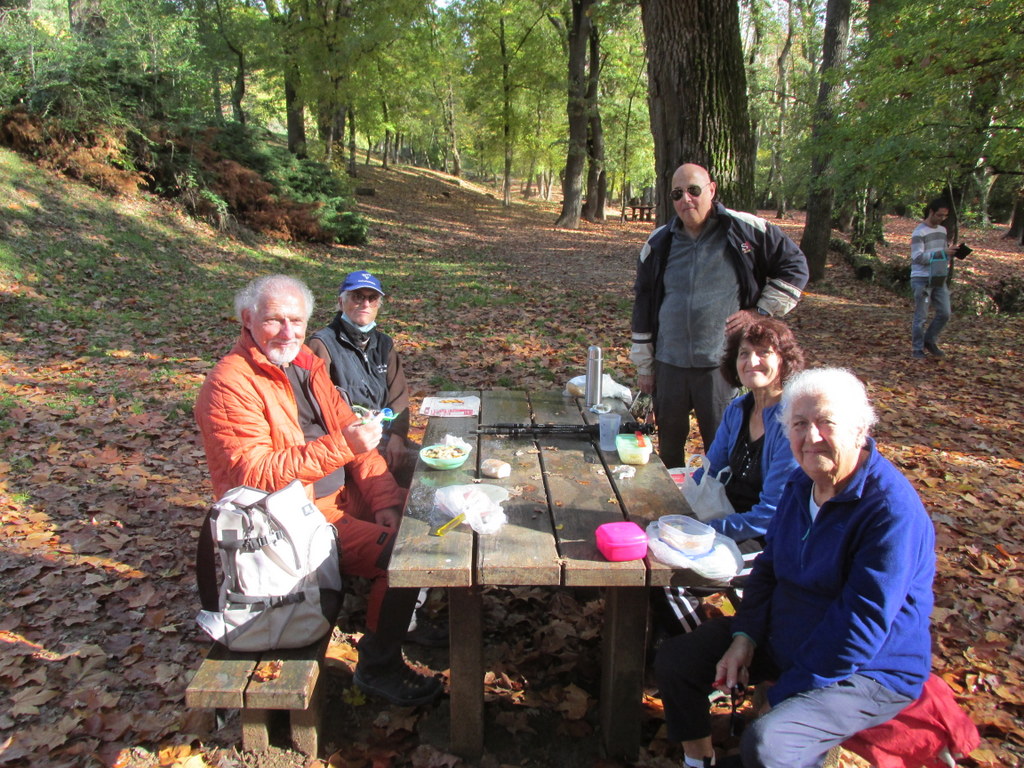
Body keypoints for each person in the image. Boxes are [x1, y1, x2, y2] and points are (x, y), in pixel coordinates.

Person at [654, 368, 935, 768]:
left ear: (859, 430)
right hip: (785, 634)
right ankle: (699, 761)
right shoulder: (802, 484)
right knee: (677, 661)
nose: (812, 437)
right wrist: (744, 636)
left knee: (769, 744)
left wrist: (787, 692)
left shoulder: (889, 513)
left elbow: (860, 627)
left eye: (826, 423)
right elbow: (768, 567)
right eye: (800, 425)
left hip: (866, 670)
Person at [195, 274, 442, 707]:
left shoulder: (306, 362)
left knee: (428, 516)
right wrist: (343, 447)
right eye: (275, 321)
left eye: (297, 321)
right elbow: (253, 473)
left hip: (343, 493)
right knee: (403, 556)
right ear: (248, 319)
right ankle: (378, 666)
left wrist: (383, 499)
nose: (288, 333)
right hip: (291, 518)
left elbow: (356, 435)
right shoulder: (230, 383)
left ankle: (406, 621)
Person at [630, 163, 808, 469]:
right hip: (669, 363)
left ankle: (720, 509)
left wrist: (760, 314)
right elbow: (643, 302)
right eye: (677, 193)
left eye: (694, 190)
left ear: (711, 190)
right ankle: (671, 509)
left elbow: (796, 265)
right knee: (668, 447)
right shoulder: (659, 242)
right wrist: (645, 365)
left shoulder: (745, 229)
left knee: (723, 447)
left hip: (720, 364)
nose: (686, 199)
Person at [655, 317, 805, 634]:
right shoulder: (738, 409)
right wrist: (673, 511)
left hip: (771, 542)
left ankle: (704, 656)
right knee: (650, 549)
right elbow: (707, 475)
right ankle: (663, 646)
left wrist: (706, 531)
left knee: (672, 577)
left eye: (764, 353)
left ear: (784, 360)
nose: (751, 361)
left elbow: (771, 514)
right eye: (743, 353)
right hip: (728, 522)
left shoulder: (792, 422)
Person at [308, 270, 416, 487]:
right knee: (422, 471)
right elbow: (318, 408)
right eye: (357, 296)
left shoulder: (383, 344)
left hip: (386, 434)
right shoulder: (322, 345)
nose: (365, 303)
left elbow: (398, 396)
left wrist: (397, 436)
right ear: (341, 301)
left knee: (437, 461)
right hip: (350, 443)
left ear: (378, 305)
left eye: (372, 298)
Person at [910, 198, 953, 359]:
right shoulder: (919, 232)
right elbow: (917, 257)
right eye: (939, 215)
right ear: (931, 212)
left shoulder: (942, 230)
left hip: (938, 277)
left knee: (945, 312)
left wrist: (950, 252)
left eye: (945, 216)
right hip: (921, 278)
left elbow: (942, 251)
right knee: (921, 316)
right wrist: (942, 254)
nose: (941, 219)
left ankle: (930, 339)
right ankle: (917, 349)